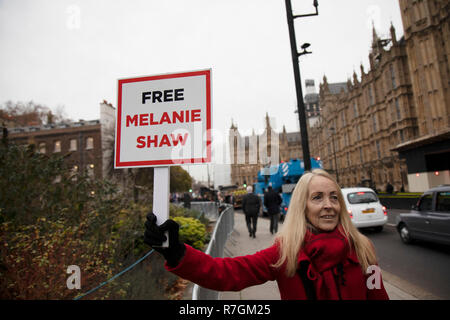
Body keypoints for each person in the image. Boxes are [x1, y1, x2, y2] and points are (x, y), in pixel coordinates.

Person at [144, 169, 389, 300]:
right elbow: (227, 274)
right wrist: (176, 253)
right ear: (302, 205)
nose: (329, 205)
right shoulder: (285, 254)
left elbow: (377, 295)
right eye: (317, 197)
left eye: (334, 197)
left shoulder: (363, 249)